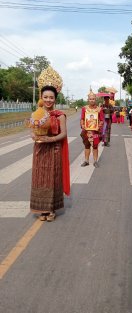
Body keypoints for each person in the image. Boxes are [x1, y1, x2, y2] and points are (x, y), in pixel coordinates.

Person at [30, 67, 70, 222]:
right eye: (45, 97)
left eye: (51, 97)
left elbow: (63, 134)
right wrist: (34, 135)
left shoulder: (60, 115)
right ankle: (42, 209)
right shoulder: (37, 114)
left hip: (54, 149)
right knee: (40, 178)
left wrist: (51, 139)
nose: (48, 100)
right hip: (39, 150)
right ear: (41, 96)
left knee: (52, 178)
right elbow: (33, 131)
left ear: (55, 99)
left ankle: (51, 209)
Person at [80, 89, 104, 168]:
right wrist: (83, 125)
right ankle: (86, 161)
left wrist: (99, 126)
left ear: (95, 99)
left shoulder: (99, 109)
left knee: (95, 146)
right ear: (88, 99)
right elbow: (82, 119)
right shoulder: (84, 108)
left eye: (93, 99)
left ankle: (95, 161)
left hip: (95, 132)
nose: (92, 100)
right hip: (86, 131)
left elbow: (102, 120)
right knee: (86, 146)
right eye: (90, 99)